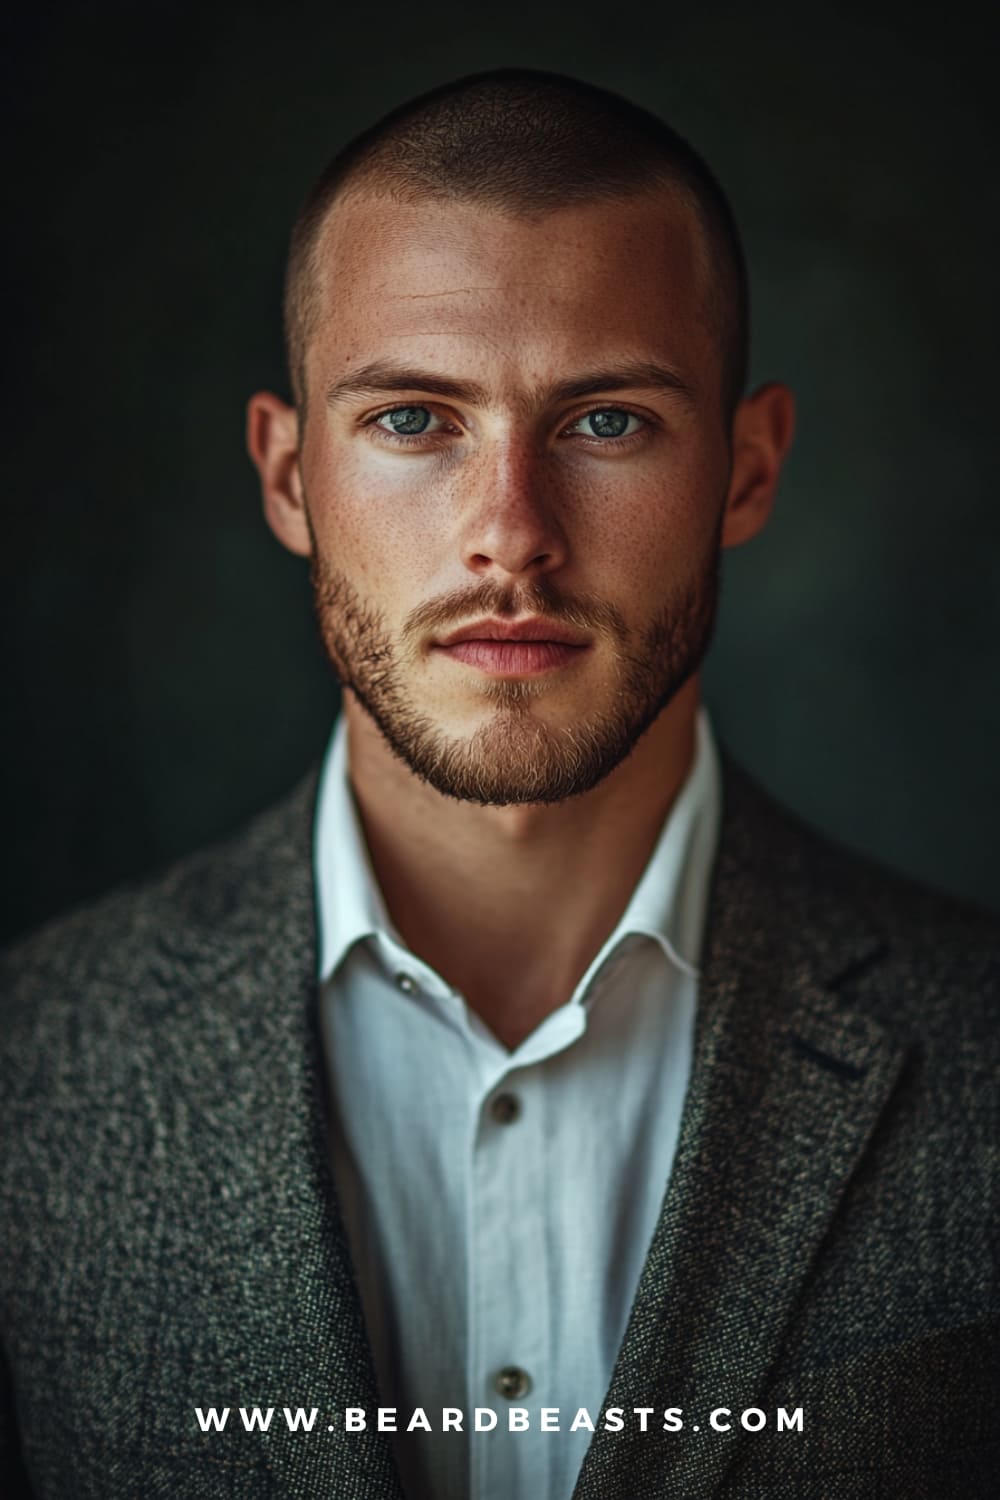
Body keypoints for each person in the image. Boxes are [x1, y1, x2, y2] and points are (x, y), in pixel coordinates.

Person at [0, 67, 996, 1500]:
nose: (510, 538)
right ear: (288, 479)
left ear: (748, 467)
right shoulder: (31, 1078)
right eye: (414, 420)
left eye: (606, 423)